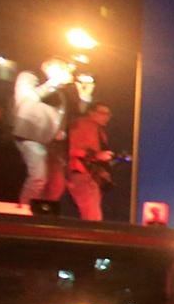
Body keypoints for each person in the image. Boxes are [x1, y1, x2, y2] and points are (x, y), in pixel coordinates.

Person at [11, 60, 73, 207]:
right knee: (38, 178)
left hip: (49, 141)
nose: (63, 72)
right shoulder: (30, 76)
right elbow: (29, 98)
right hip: (30, 135)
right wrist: (54, 82)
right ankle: (24, 211)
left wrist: (84, 95)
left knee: (55, 183)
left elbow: (69, 112)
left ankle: (41, 213)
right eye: (60, 68)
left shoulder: (58, 91)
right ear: (47, 66)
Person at [65, 101, 115, 221]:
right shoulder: (81, 124)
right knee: (92, 217)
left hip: (91, 177)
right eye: (102, 113)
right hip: (81, 175)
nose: (106, 117)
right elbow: (73, 150)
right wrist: (98, 156)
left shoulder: (100, 131)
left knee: (92, 215)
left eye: (109, 114)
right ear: (91, 113)